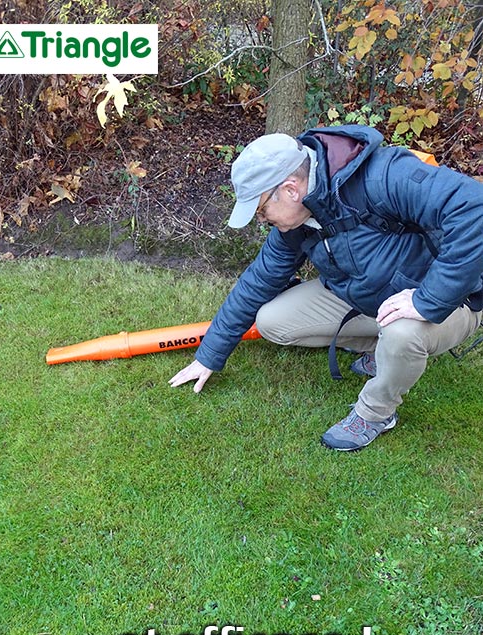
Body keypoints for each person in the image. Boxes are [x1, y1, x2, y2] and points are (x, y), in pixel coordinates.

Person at [168, 125, 483, 451]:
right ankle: (381, 349)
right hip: (371, 298)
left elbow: (475, 208)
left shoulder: (383, 176)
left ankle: (375, 414)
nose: (262, 219)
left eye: (262, 209)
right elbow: (258, 281)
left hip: (453, 300)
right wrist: (209, 356)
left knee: (403, 333)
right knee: (272, 320)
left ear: (291, 189)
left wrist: (430, 298)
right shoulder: (298, 220)